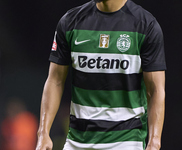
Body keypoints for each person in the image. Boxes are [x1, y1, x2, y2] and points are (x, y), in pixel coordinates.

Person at [36, 0, 166, 150]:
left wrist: (154, 141)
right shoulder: (70, 21)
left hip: (126, 140)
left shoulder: (146, 25)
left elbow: (155, 90)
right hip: (77, 141)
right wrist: (43, 133)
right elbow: (55, 81)